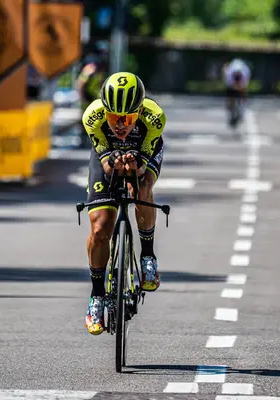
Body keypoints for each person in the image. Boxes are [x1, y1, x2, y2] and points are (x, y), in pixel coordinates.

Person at [81, 71, 166, 335]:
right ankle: (96, 297)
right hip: (108, 153)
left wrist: (137, 168)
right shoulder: (92, 117)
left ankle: (148, 256)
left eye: (127, 118)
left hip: (143, 149)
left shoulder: (154, 118)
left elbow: (142, 169)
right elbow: (106, 164)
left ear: (139, 110)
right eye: (113, 117)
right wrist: (113, 162)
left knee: (143, 189)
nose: (119, 124)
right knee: (100, 227)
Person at [76, 53, 109, 148]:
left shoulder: (99, 71)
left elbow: (100, 83)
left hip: (94, 98)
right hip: (87, 99)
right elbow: (81, 85)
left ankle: (93, 140)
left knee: (96, 120)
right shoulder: (89, 70)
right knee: (84, 119)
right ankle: (83, 140)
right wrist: (82, 98)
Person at [222, 58, 251, 126]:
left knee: (243, 94)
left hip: (242, 83)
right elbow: (229, 85)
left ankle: (242, 109)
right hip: (231, 83)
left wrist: (240, 89)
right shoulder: (229, 75)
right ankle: (230, 108)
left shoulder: (245, 73)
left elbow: (244, 86)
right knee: (230, 98)